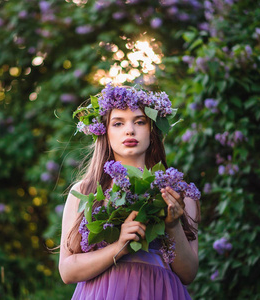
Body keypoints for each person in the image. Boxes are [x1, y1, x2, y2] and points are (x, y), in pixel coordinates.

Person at [59, 83, 200, 299]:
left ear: (152, 129)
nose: (129, 130)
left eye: (139, 122)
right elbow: (67, 271)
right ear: (105, 131)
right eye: (118, 123)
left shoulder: (179, 195)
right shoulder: (85, 191)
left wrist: (172, 225)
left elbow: (189, 273)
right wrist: (119, 247)